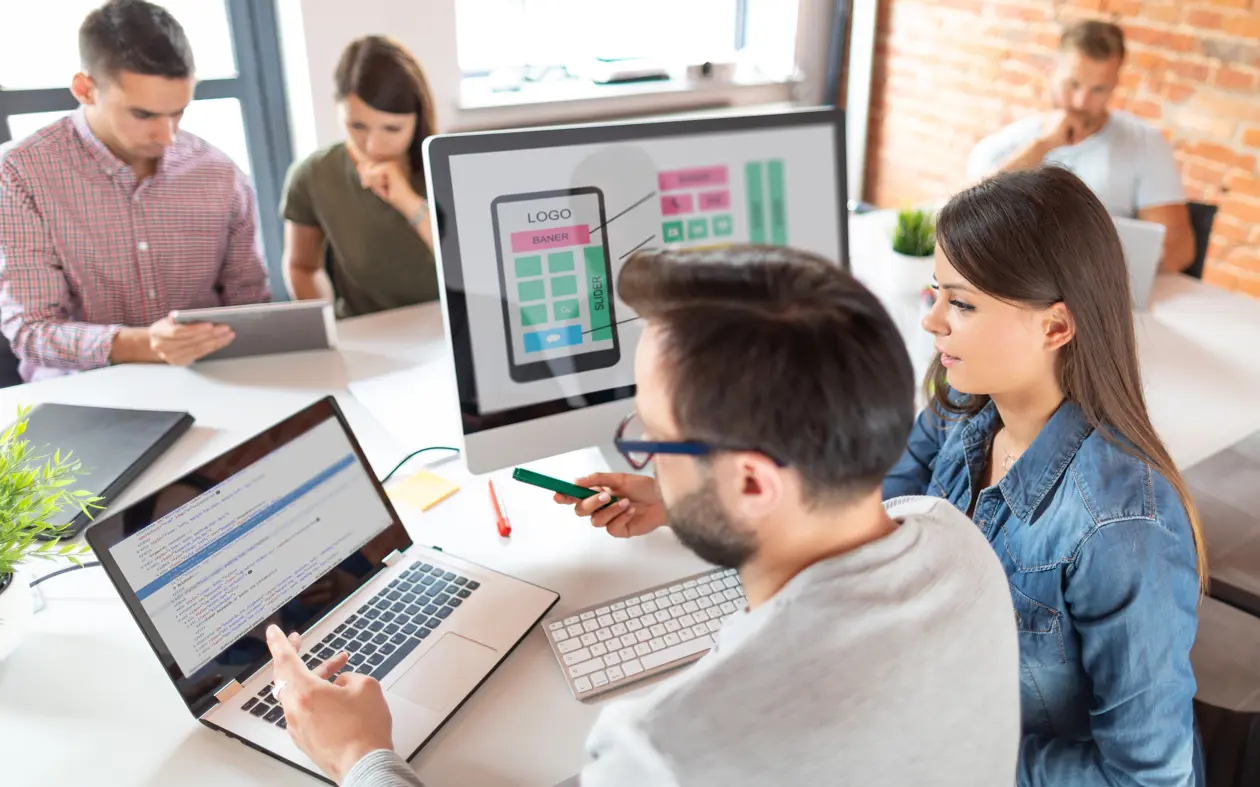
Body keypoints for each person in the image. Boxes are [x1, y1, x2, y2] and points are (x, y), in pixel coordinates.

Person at [264, 245, 1022, 786]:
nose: (647, 458)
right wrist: (687, 501)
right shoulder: (954, 539)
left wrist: (359, 755)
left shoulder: (664, 747)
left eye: (655, 440)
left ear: (755, 482)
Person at [883, 166, 1204, 785]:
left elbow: (1146, 778)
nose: (932, 321)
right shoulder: (963, 410)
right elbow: (881, 507)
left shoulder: (1120, 528)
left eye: (962, 303)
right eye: (936, 292)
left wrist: (949, 754)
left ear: (1055, 326)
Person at [0, 0, 269, 382]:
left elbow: (250, 306)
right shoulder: (20, 173)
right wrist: (145, 345)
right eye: (143, 115)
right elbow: (31, 332)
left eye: (178, 111)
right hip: (83, 395)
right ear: (85, 89)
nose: (168, 135)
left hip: (210, 382)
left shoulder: (220, 174)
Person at [967, 20, 1195, 273]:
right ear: (1051, 72)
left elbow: (1179, 249)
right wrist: (1043, 146)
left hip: (1102, 288)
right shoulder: (1007, 143)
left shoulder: (1145, 143)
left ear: (1115, 85)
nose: (1081, 101)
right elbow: (968, 214)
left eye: (1098, 89)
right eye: (1072, 84)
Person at [281, 36, 439, 319]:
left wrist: (408, 202)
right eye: (357, 126)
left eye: (392, 129)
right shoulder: (314, 175)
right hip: (365, 334)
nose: (373, 146)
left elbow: (471, 269)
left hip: (447, 328)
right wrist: (328, 327)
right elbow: (302, 267)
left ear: (418, 118)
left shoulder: (447, 165)